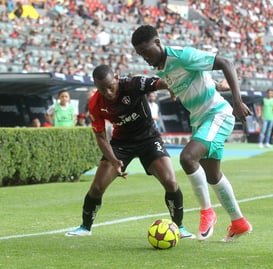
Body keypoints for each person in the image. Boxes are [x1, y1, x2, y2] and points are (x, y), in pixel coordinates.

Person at [132, 25, 252, 242]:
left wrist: (237, 100)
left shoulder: (182, 54)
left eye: (146, 51)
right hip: (199, 120)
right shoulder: (161, 67)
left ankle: (207, 212)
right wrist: (216, 85)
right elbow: (195, 75)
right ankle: (239, 222)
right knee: (213, 175)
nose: (145, 58)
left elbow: (225, 62)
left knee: (188, 158)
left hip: (217, 114)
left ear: (158, 43)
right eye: (140, 55)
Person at [65, 64, 194, 239]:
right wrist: (113, 160)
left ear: (116, 77)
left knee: (170, 182)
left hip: (149, 139)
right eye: (102, 89)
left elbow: (158, 83)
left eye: (110, 87)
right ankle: (85, 227)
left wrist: (170, 87)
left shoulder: (133, 84)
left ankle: (179, 227)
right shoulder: (95, 103)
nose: (108, 92)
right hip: (121, 143)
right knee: (97, 187)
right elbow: (101, 137)